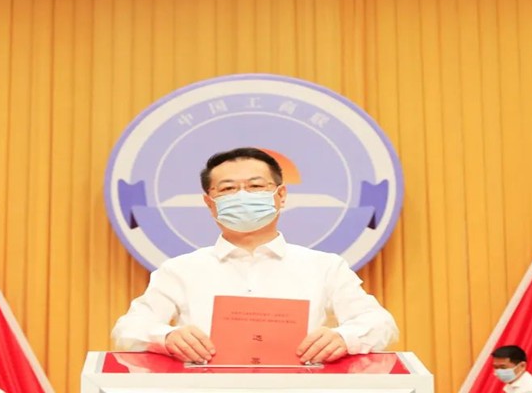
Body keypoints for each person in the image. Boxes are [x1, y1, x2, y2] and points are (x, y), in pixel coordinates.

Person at [111, 147, 399, 365]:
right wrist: (167, 336)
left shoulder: (325, 266)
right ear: (210, 203)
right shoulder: (180, 270)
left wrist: (343, 337)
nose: (242, 196)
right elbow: (128, 330)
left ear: (281, 195)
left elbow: (381, 324)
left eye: (256, 186)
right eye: (228, 189)